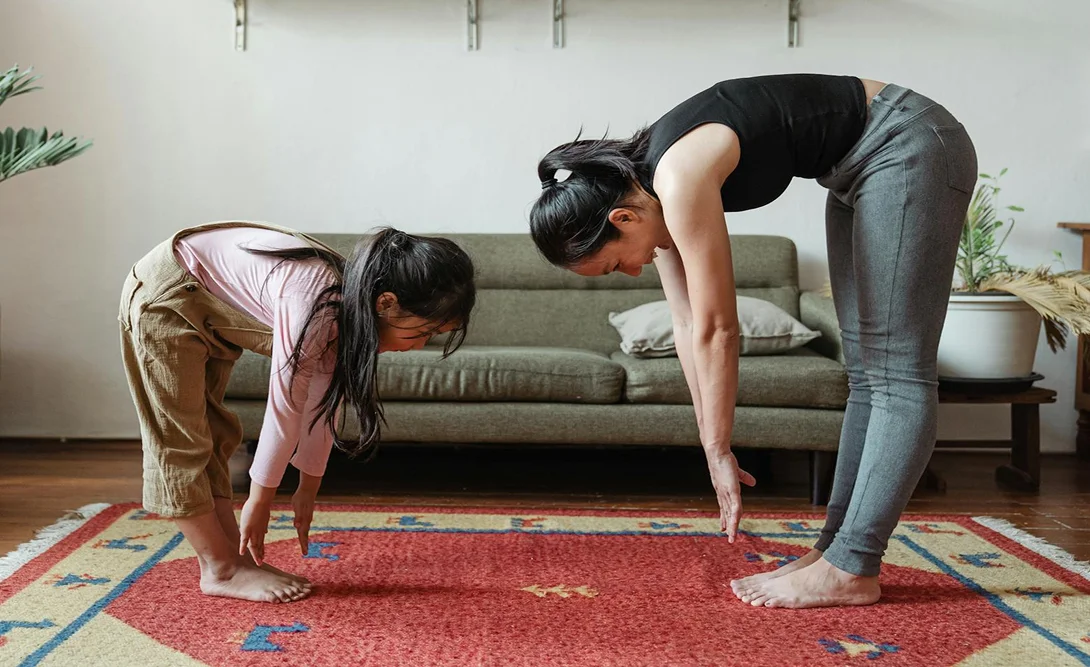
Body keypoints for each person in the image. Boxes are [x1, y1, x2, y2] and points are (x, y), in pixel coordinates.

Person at [528, 74, 976, 608]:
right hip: (855, 169)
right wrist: (708, 441)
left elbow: (720, 328)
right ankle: (836, 551)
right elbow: (689, 323)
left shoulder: (677, 178)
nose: (629, 273)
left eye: (614, 264)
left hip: (908, 142)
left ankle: (854, 565)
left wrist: (721, 448)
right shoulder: (651, 196)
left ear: (622, 219)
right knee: (868, 374)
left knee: (895, 371)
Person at [119, 222, 475, 603]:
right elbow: (285, 404)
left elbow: (321, 402)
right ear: (386, 303)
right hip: (167, 296)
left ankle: (235, 560)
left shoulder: (349, 309)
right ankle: (219, 569)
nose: (420, 345)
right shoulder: (315, 300)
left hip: (202, 298)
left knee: (214, 431)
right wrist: (260, 500)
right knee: (180, 441)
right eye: (424, 331)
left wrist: (308, 487)